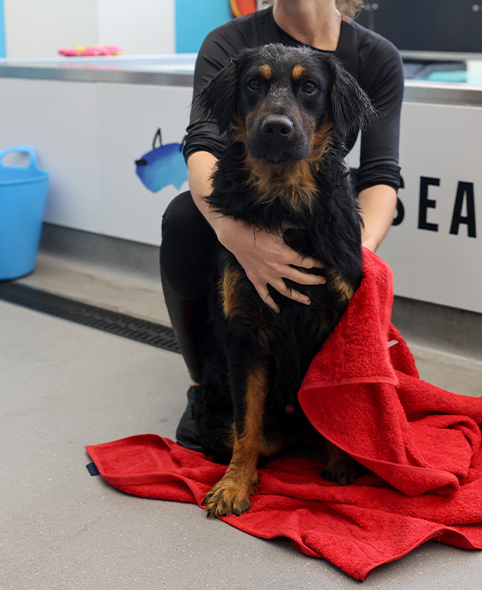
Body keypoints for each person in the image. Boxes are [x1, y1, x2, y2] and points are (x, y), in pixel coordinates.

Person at [160, 0, 404, 450]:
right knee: (182, 215)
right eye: (258, 87)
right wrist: (239, 237)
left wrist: (355, 257)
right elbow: (203, 143)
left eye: (307, 88)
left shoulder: (376, 56)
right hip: (245, 206)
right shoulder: (229, 41)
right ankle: (203, 384)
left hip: (323, 210)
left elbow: (380, 174)